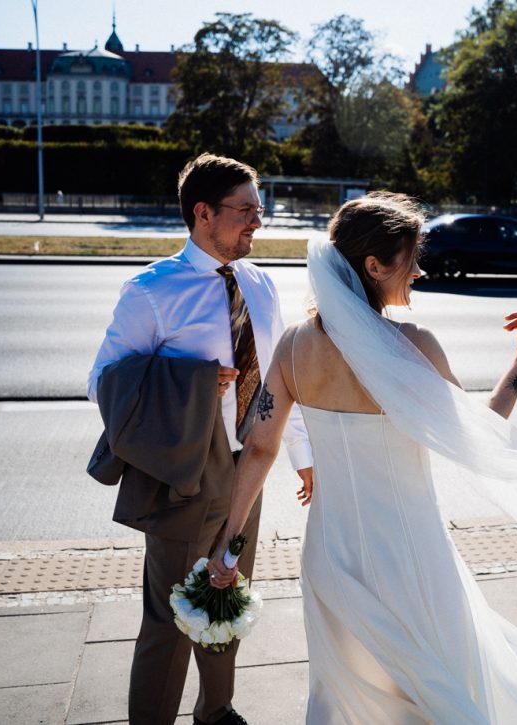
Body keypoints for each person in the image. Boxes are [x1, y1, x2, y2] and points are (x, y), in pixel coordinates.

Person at [210, 193, 517, 723]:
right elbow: (484, 432)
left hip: (331, 551)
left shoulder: (294, 348)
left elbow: (259, 448)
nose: (417, 269)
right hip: (411, 555)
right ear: (374, 265)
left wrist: (229, 545)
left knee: (345, 689)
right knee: (429, 688)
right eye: (411, 257)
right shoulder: (413, 346)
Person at [87, 153, 313, 725]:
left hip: (249, 469)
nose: (257, 222)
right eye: (246, 211)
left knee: (224, 599)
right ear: (204, 213)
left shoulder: (260, 286)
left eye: (260, 210)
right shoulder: (152, 290)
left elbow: (278, 379)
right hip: (185, 473)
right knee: (169, 618)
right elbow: (101, 384)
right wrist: (187, 385)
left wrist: (302, 456)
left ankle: (216, 712)